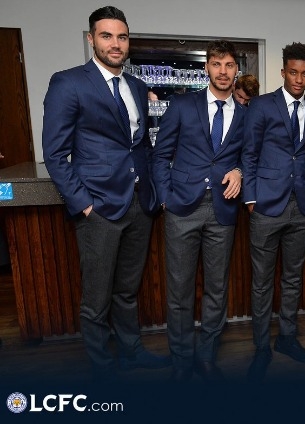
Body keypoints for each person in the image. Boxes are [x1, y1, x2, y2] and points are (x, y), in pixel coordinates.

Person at [42, 6, 170, 381]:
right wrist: (84, 205)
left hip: (139, 203)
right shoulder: (68, 83)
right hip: (98, 207)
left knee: (127, 291)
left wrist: (154, 191)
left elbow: (141, 146)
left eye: (122, 37)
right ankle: (102, 368)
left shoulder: (136, 86)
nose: (116, 44)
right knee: (96, 298)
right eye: (106, 36)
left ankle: (131, 353)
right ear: (91, 39)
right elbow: (54, 154)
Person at [152, 40, 246, 382]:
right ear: (207, 67)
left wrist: (240, 172)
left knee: (217, 289)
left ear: (237, 70)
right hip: (182, 208)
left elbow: (249, 157)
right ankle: (181, 358)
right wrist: (165, 197)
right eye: (216, 64)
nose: (223, 71)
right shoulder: (182, 105)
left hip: (223, 209)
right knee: (179, 289)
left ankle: (206, 355)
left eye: (229, 65)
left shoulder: (245, 114)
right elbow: (160, 155)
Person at [241, 42, 305, 382]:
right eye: (293, 72)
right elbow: (249, 153)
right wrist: (250, 198)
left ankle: (287, 337)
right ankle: (262, 346)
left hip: (302, 206)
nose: (299, 79)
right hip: (266, 206)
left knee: (293, 277)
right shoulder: (261, 105)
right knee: (261, 282)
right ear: (283, 72)